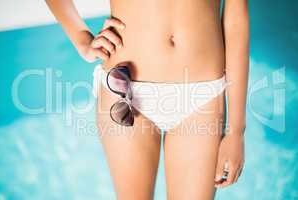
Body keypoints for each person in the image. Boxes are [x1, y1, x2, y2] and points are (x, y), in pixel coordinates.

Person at [46, 0, 249, 199]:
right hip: (126, 89)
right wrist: (82, 39)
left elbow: (235, 23)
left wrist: (236, 132)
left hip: (203, 96)